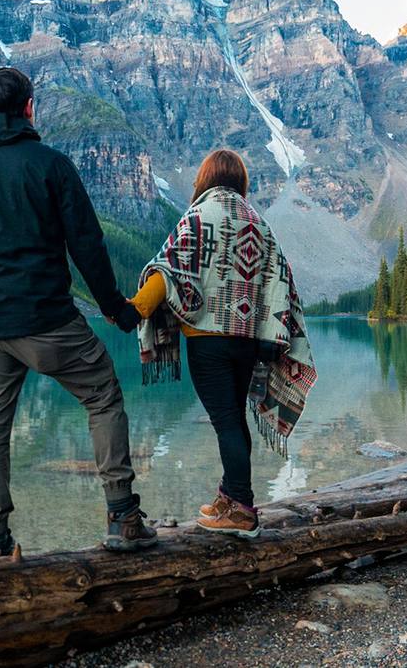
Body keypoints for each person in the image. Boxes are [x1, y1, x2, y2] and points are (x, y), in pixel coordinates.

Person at [0, 67, 158, 558]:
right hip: (48, 320)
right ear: (29, 108)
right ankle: (122, 516)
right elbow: (87, 245)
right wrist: (115, 308)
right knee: (103, 397)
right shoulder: (51, 164)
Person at [129, 149, 316, 539]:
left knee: (225, 420)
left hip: (208, 341)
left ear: (205, 178)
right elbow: (282, 279)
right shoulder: (257, 222)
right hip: (249, 342)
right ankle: (229, 497)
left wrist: (137, 308)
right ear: (240, 180)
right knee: (234, 416)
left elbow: (170, 269)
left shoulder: (198, 217)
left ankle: (242, 510)